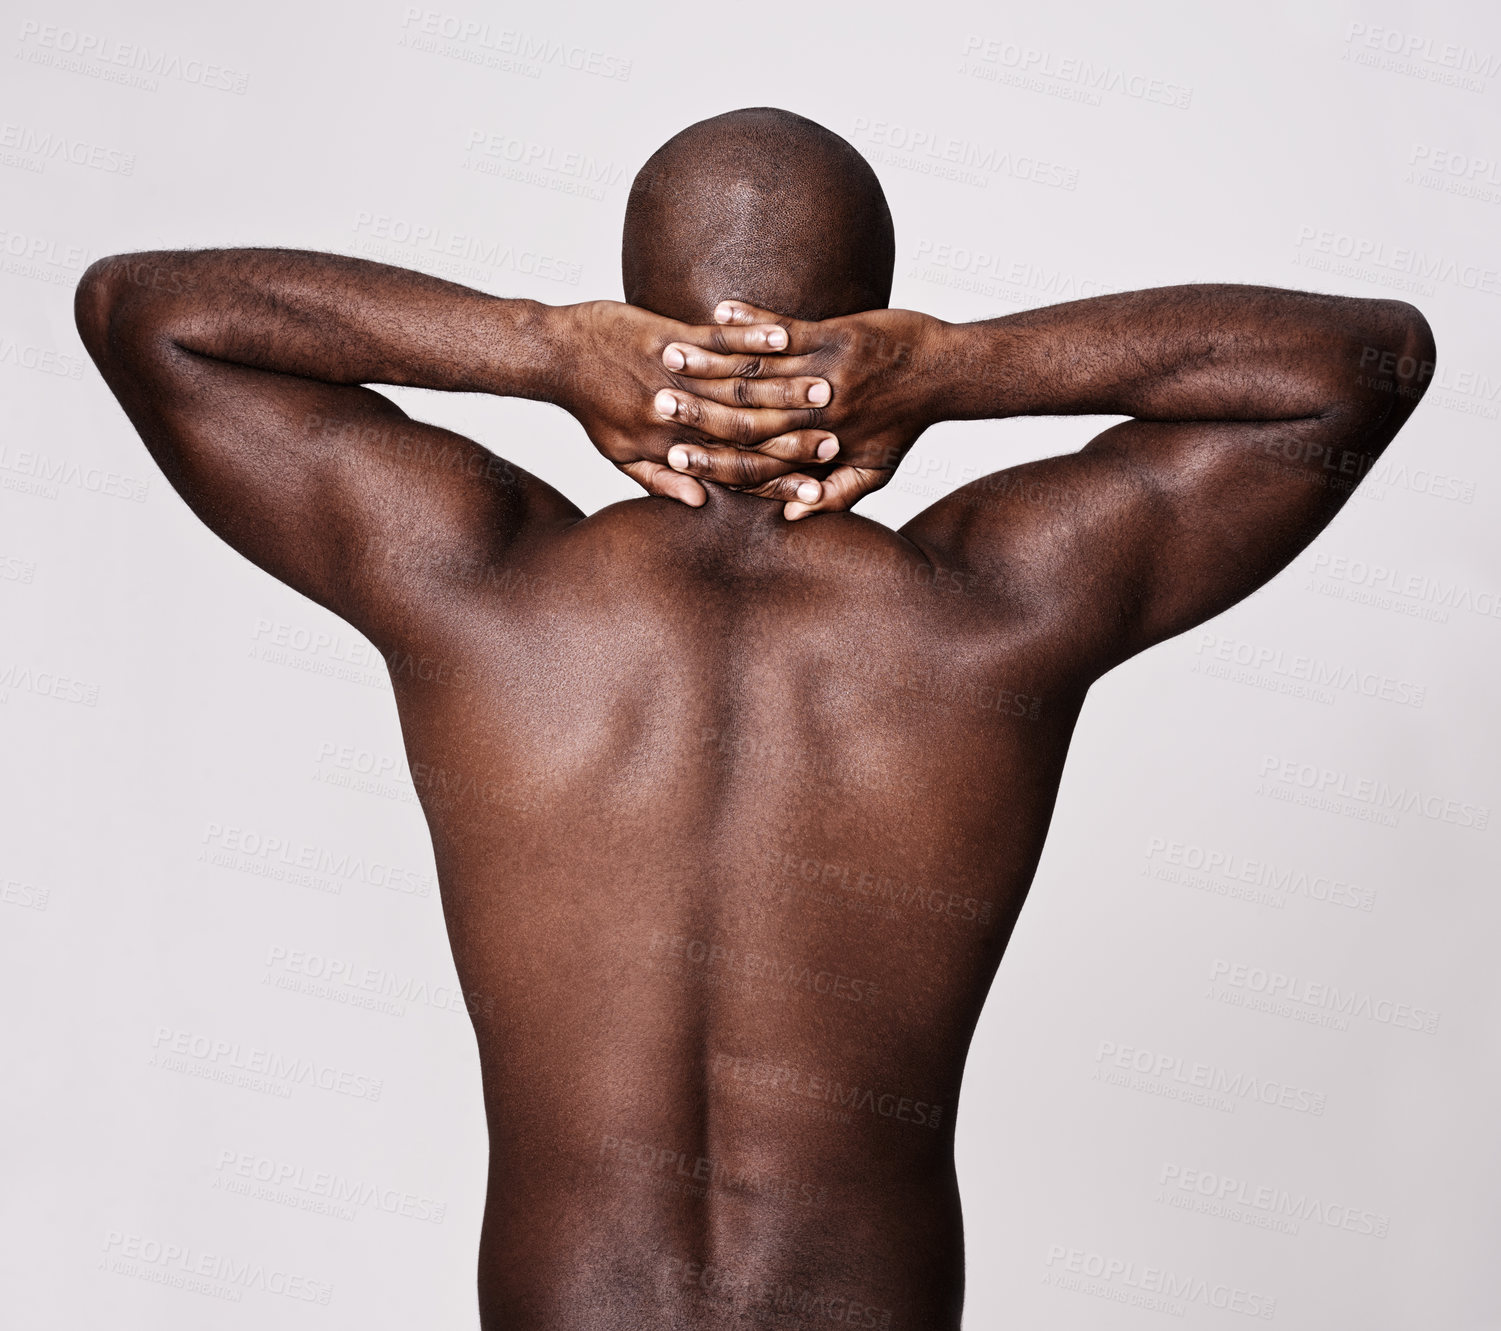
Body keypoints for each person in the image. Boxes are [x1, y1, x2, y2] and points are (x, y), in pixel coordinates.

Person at [75, 107, 1434, 1329]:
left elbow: (147, 312)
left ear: (628, 306)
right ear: (879, 315)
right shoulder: (988, 610)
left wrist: (536, 348)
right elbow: (1360, 362)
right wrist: (961, 369)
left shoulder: (479, 591)